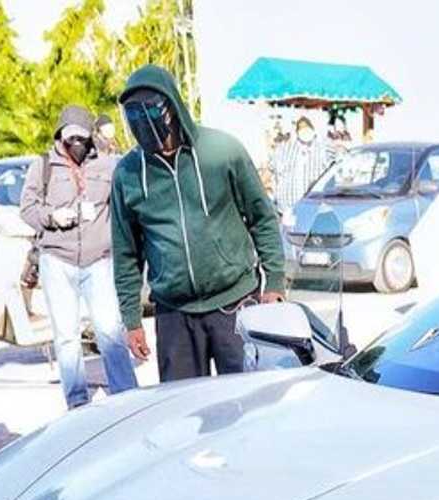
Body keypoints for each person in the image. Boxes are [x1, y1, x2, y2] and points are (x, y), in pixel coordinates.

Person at [110, 65, 285, 381]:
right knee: (184, 416)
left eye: (151, 109)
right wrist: (132, 319)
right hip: (174, 313)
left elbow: (262, 217)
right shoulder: (128, 174)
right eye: (133, 114)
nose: (143, 121)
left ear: (172, 106)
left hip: (234, 300)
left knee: (247, 404)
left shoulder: (221, 151)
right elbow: (126, 253)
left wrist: (274, 282)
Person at [19, 105, 135, 409]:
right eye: (70, 139)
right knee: (67, 336)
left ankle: (126, 395)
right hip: (58, 259)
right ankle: (77, 400)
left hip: (99, 259)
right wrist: (52, 217)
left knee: (110, 331)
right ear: (60, 136)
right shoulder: (42, 166)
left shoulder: (108, 166)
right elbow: (27, 209)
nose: (76, 145)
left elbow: (124, 206)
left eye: (82, 139)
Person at [271, 115, 335, 209]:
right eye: (301, 127)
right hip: (285, 211)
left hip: (316, 210)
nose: (304, 130)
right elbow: (271, 173)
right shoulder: (283, 150)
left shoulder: (325, 149)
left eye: (307, 127)